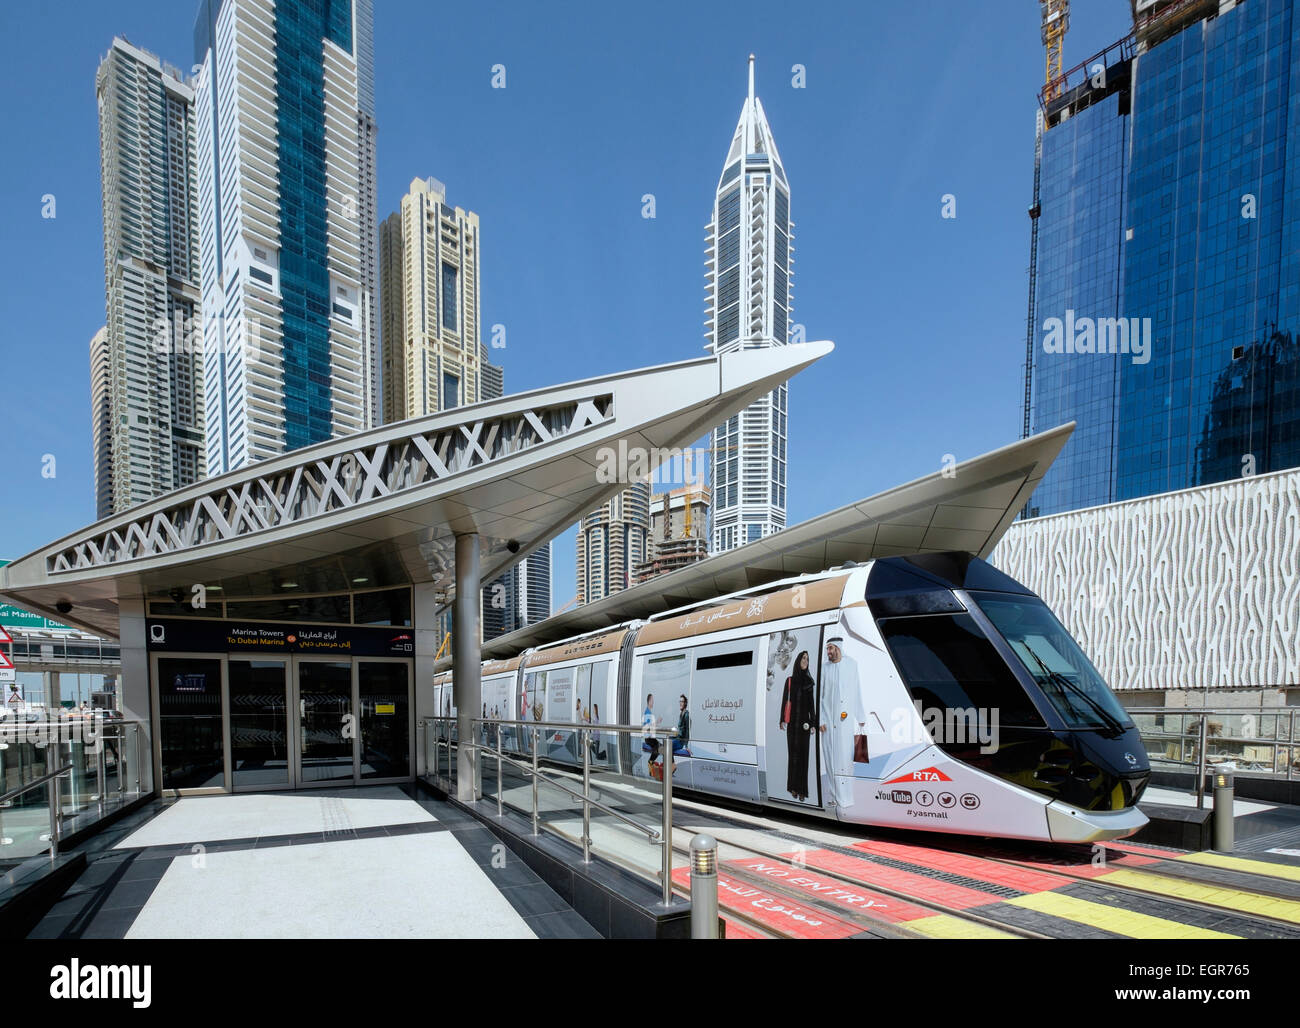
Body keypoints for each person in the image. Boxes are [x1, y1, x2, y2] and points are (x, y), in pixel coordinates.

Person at [819, 636, 866, 809]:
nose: (828, 652)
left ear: (838, 648)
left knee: (846, 760)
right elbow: (820, 696)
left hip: (846, 725)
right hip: (829, 725)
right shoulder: (824, 669)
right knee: (831, 760)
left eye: (830, 648)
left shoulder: (851, 664)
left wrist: (861, 717)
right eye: (827, 649)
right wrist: (820, 719)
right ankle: (833, 796)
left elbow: (856, 690)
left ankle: (846, 798)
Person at [780, 650, 817, 801]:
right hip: (792, 725)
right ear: (798, 660)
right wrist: (782, 720)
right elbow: (784, 701)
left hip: (804, 725)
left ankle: (802, 790)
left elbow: (811, 705)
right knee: (793, 757)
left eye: (807, 659)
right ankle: (792, 788)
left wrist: (813, 723)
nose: (805, 661)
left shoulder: (809, 682)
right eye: (803, 658)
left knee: (803, 758)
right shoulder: (789, 680)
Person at [642, 693, 661, 768]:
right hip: (648, 738)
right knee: (658, 747)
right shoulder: (647, 712)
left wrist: (656, 723)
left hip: (650, 737)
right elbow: (647, 727)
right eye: (652, 700)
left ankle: (651, 763)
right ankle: (650, 762)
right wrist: (657, 722)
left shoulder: (648, 712)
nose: (653, 702)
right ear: (649, 701)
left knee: (659, 746)